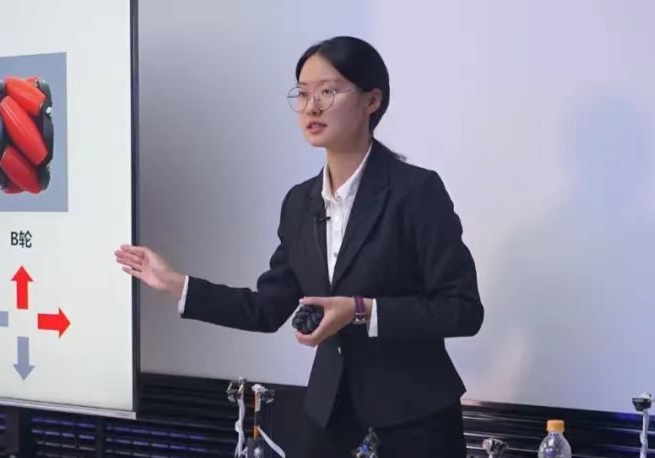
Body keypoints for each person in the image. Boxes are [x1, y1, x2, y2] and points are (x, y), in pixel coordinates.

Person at [116, 36, 484, 457]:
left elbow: (462, 309)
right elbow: (266, 308)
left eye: (327, 91)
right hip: (329, 417)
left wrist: (361, 309)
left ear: (372, 100)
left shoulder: (415, 191)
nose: (311, 107)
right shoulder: (299, 203)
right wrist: (175, 283)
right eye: (303, 94)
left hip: (416, 419)